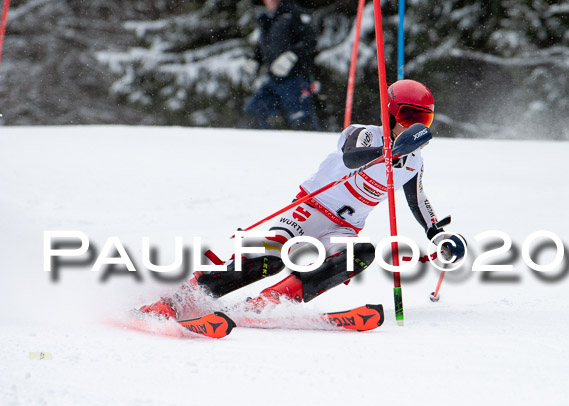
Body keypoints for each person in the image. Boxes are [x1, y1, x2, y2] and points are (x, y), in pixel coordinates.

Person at [141, 79, 465, 318]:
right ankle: (177, 299)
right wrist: (387, 152)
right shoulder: (365, 133)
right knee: (268, 259)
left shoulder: (413, 162)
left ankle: (267, 304)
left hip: (344, 229)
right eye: (409, 116)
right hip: (309, 210)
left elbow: (418, 200)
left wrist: (438, 233)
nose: (416, 127)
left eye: (424, 120)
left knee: (359, 253)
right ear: (392, 113)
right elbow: (353, 158)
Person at [241, 0, 320, 131]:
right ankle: (261, 149)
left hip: (296, 80)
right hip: (273, 81)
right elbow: (264, 46)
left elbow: (310, 40)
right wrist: (255, 60)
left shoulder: (295, 14)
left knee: (302, 122)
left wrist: (292, 56)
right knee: (252, 114)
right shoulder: (265, 18)